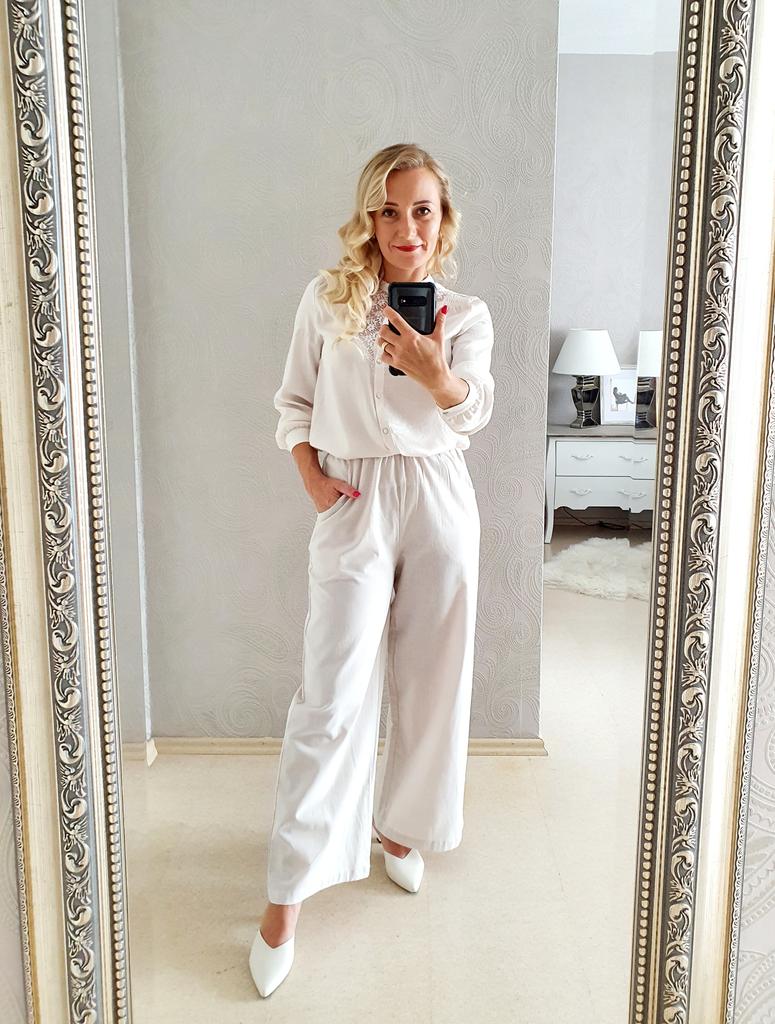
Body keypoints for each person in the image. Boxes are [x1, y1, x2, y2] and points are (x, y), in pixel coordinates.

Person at [249, 143, 495, 997]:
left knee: (433, 682)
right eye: (388, 210)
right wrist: (314, 480)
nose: (405, 227)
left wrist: (436, 374)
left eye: (421, 209)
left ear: (441, 218)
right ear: (369, 218)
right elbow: (293, 403)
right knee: (331, 694)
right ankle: (286, 896)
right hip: (353, 496)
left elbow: (473, 413)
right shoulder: (327, 300)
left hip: (437, 496)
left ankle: (400, 829)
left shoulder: (463, 314)